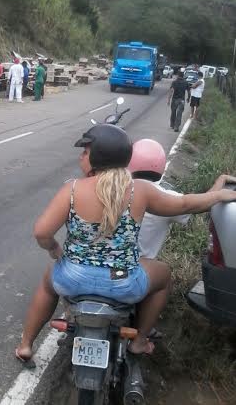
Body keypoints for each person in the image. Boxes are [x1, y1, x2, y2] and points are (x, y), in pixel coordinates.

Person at [15, 124, 236, 364]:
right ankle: (139, 341)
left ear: (98, 157)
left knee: (48, 284)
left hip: (73, 279)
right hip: (123, 283)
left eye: (86, 151)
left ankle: (26, 344)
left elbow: (41, 232)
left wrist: (54, 249)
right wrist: (218, 195)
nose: (81, 156)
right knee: (164, 275)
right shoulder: (139, 191)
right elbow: (185, 205)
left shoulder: (72, 190)